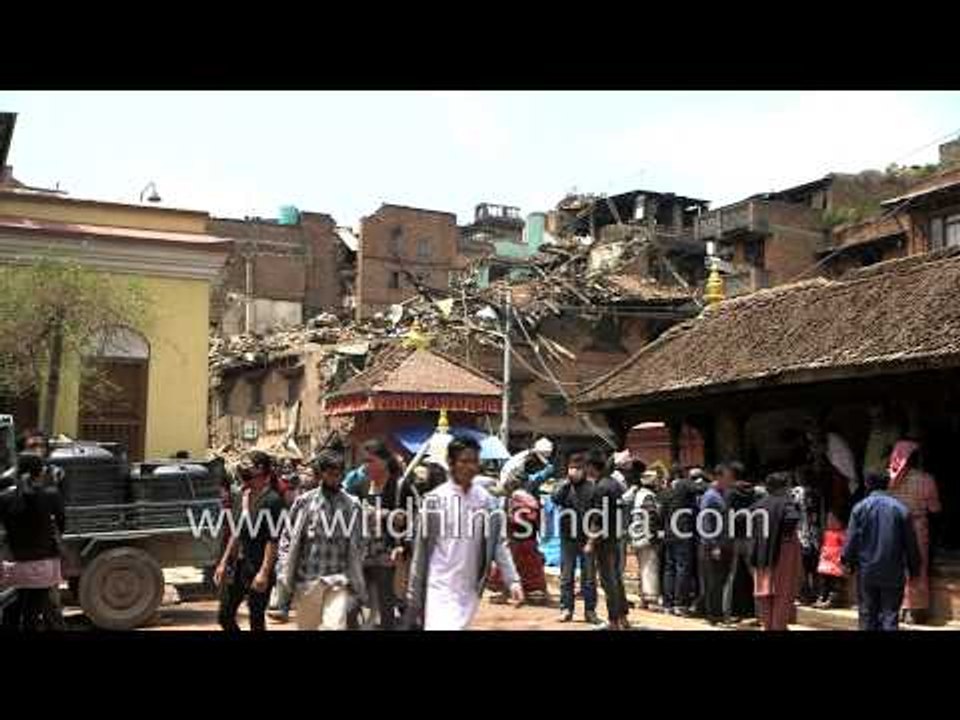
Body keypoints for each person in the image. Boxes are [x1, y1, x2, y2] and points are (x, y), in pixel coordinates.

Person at [402, 436, 523, 630]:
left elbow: (498, 544)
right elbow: (421, 550)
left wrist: (513, 580)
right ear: (451, 463)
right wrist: (413, 594)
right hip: (439, 585)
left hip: (469, 589)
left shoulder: (485, 501)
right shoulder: (435, 500)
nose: (470, 467)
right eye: (464, 461)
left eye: (474, 461)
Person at [275, 450, 367, 631]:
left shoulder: (352, 504)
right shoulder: (304, 502)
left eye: (338, 473)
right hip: (308, 581)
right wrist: (284, 566)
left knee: (335, 627)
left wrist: (355, 573)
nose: (335, 477)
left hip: (338, 581)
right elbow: (287, 537)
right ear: (321, 473)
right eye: (330, 473)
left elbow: (360, 541)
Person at [214, 452, 284, 632]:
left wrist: (264, 572)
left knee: (256, 618)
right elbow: (236, 533)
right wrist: (223, 563)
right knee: (224, 616)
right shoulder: (242, 495)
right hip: (238, 566)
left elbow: (273, 540)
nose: (243, 468)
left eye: (248, 465)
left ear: (261, 469)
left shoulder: (273, 500)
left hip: (259, 565)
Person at [842, 471, 921, 631]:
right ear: (888, 485)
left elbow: (851, 541)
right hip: (893, 571)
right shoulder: (901, 509)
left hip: (866, 571)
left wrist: (847, 563)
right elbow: (911, 545)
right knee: (890, 615)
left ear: (868, 485)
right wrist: (914, 570)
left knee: (867, 615)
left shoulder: (859, 508)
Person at [343, 439, 405, 630]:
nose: (365, 465)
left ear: (384, 461)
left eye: (370, 461)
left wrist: (387, 516)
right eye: (364, 461)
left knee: (386, 608)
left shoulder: (400, 486)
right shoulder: (361, 486)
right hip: (362, 553)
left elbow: (412, 519)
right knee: (350, 607)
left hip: (388, 556)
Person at [0, 454, 66, 631]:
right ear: (41, 472)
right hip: (43, 567)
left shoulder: (4, 497)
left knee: (11, 610)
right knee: (33, 612)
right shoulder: (51, 495)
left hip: (12, 566)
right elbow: (62, 524)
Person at [887, 440, 941, 625]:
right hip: (917, 529)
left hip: (894, 529)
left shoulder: (889, 480)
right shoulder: (926, 479)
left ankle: (900, 607)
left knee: (899, 567)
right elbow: (934, 508)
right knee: (917, 568)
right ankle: (914, 610)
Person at [551, 450, 601, 625]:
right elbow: (555, 499)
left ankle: (590, 611)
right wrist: (566, 483)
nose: (574, 471)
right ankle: (566, 609)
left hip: (586, 539)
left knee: (589, 578)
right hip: (567, 539)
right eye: (571, 468)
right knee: (566, 576)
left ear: (584, 469)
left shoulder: (593, 488)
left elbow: (597, 518)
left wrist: (591, 541)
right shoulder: (563, 486)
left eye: (577, 468)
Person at [750, 472, 802, 631]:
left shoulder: (758, 505)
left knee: (765, 594)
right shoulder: (786, 503)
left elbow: (740, 519)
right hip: (782, 554)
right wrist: (786, 535)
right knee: (782, 593)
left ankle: (768, 626)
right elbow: (792, 518)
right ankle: (778, 626)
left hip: (761, 555)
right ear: (784, 487)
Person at [585, 450, 630, 630]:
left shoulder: (601, 487)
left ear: (591, 467)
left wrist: (590, 542)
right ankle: (623, 616)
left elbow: (597, 518)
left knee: (608, 581)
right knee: (616, 579)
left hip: (604, 541)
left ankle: (613, 621)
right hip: (617, 537)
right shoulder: (615, 485)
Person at [660, 469, 698, 616]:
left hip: (669, 533)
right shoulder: (684, 485)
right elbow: (702, 488)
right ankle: (680, 604)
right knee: (682, 567)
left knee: (669, 568)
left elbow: (662, 514)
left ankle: (668, 604)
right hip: (683, 533)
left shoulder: (667, 492)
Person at [699, 463, 733, 625]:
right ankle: (713, 615)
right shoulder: (710, 496)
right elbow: (706, 522)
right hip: (713, 545)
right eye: (727, 478)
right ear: (718, 477)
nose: (730, 481)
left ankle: (717, 613)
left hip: (723, 542)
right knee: (713, 581)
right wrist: (713, 545)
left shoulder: (722, 493)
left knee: (719, 580)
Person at [723, 462, 756, 623]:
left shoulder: (730, 493)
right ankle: (758, 611)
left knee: (733, 576)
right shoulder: (755, 492)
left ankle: (731, 612)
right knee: (754, 575)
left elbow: (727, 517)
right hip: (752, 537)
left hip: (736, 539)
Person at [627, 470, 661, 610]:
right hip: (646, 536)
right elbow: (651, 517)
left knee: (643, 567)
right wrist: (653, 535)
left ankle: (644, 597)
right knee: (649, 567)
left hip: (636, 535)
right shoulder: (648, 496)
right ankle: (650, 598)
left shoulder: (638, 494)